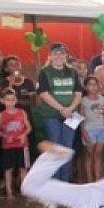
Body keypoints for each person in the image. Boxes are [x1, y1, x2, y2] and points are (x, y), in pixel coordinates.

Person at [35, 43, 83, 179]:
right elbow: (43, 93)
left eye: (62, 53)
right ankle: (54, 183)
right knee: (55, 149)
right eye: (56, 53)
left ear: (66, 56)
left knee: (67, 149)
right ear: (50, 56)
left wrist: (70, 108)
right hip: (51, 115)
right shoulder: (44, 72)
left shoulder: (72, 71)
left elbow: (78, 93)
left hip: (70, 115)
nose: (59, 56)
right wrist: (61, 109)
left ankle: (65, 182)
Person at [0, 89, 32, 199]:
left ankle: (25, 190)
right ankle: (9, 191)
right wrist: (6, 137)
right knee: (8, 169)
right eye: (7, 100)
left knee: (23, 168)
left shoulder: (22, 112)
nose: (10, 102)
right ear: (2, 101)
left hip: (22, 145)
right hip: (8, 146)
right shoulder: (1, 115)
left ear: (16, 100)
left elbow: (29, 127)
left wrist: (23, 135)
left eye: (12, 99)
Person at [80, 76, 104, 184]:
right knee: (89, 155)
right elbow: (81, 118)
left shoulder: (102, 99)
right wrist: (83, 132)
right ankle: (89, 179)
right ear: (86, 87)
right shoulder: (83, 100)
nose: (93, 87)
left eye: (95, 84)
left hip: (101, 128)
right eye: (90, 84)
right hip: (89, 129)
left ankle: (97, 178)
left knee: (98, 154)